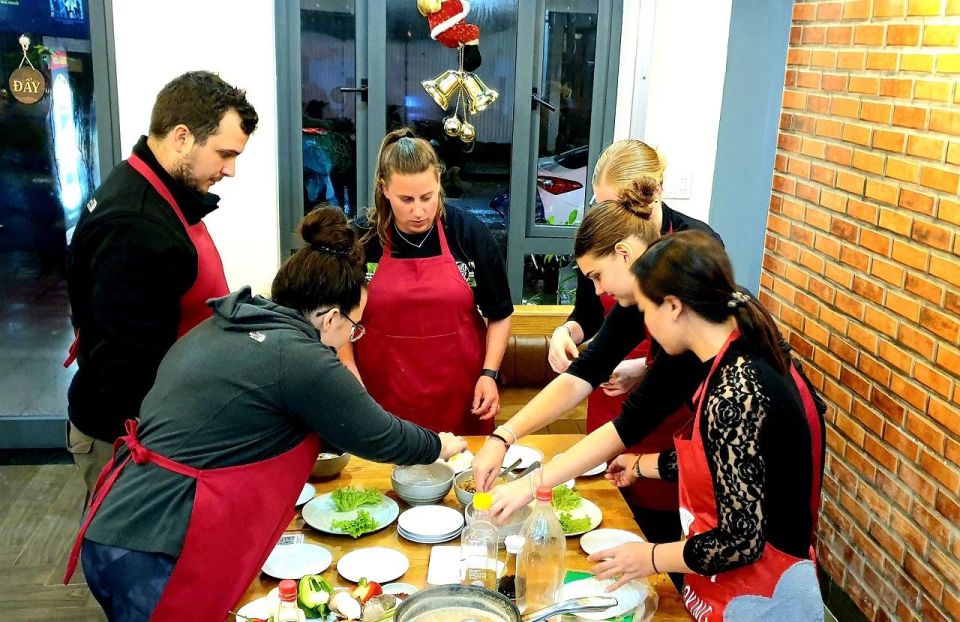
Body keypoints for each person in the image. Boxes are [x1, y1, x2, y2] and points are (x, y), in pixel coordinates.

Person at [63, 206, 468, 622]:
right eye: (353, 325)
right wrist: (439, 444)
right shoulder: (297, 356)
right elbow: (377, 435)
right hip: (152, 548)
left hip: (116, 522)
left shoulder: (230, 321)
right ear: (330, 317)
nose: (352, 335)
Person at [490, 231, 826, 620]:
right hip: (725, 590)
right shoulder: (729, 357)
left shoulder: (736, 391)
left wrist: (649, 557)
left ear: (672, 306)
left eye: (647, 311)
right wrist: (643, 465)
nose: (646, 326)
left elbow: (740, 542)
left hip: (765, 599)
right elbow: (732, 463)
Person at [474, 141, 721, 546]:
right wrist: (505, 437)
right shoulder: (640, 288)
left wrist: (531, 485)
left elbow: (633, 420)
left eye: (597, 278)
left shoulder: (684, 288)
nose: (598, 290)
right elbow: (587, 369)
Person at [65, 71, 259, 494]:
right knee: (129, 557)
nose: (230, 170)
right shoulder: (135, 222)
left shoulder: (157, 191)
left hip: (160, 422)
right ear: (182, 137)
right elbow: (126, 369)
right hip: (128, 438)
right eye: (224, 154)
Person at [340, 128, 513, 435]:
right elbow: (338, 322)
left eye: (427, 197)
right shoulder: (361, 239)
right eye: (406, 199)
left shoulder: (469, 233)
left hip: (461, 395)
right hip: (380, 399)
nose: (418, 211)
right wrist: (352, 387)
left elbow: (499, 314)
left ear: (438, 183)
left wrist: (489, 373)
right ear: (384, 188)